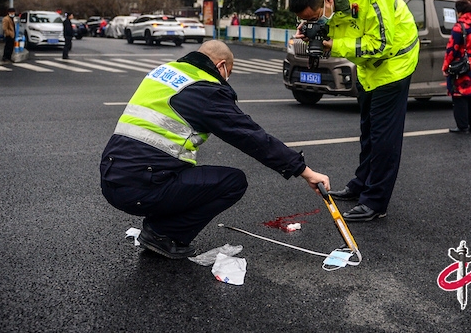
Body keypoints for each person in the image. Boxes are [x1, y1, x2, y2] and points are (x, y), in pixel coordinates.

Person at [100, 40, 330, 259]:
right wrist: (305, 172)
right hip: (142, 186)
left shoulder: (165, 72)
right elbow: (252, 137)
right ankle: (162, 233)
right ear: (221, 66)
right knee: (233, 182)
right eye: (229, 72)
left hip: (111, 179)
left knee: (187, 173)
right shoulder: (204, 89)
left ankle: (160, 221)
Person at [289, 0, 419, 222]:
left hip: (394, 62)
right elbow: (343, 29)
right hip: (367, 67)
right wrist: (312, 31)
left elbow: (381, 44)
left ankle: (375, 202)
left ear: (328, 0)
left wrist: (333, 45)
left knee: (384, 137)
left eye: (314, 18)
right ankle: (360, 185)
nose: (315, 23)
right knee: (368, 129)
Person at [442, 0, 471, 133]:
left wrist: (446, 67)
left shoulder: (459, 27)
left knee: (459, 96)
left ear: (459, 12)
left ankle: (462, 126)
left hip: (461, 67)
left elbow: (451, 49)